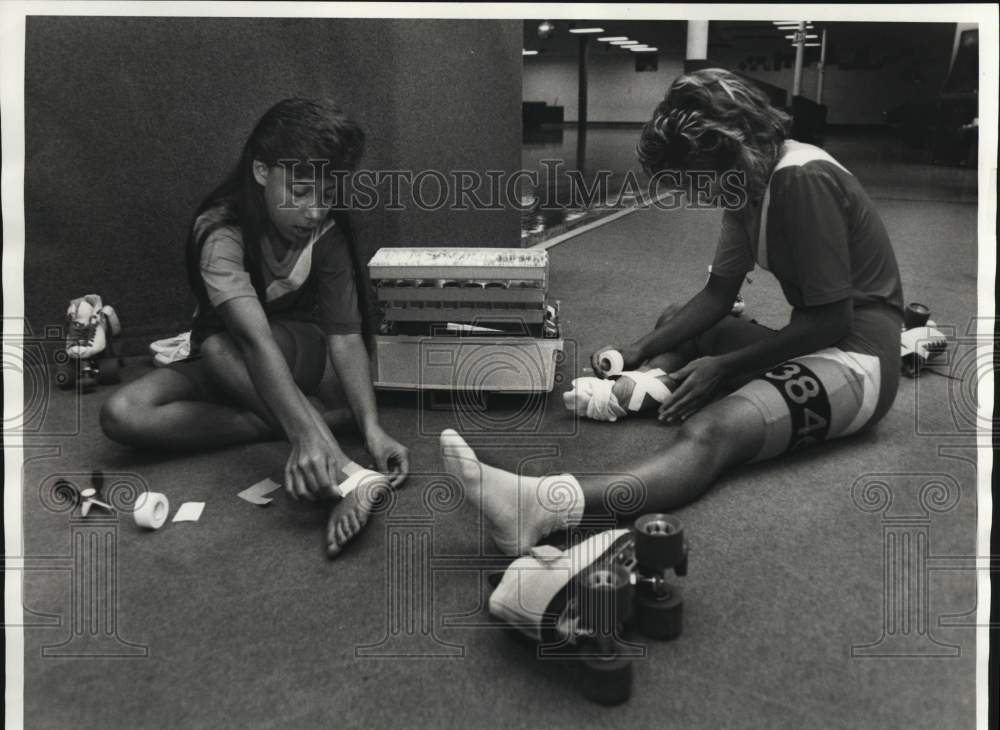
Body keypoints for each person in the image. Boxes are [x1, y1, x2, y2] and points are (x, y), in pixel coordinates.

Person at [440, 68, 904, 556]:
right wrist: (638, 348)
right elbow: (716, 296)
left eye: (694, 180)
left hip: (861, 364)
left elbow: (834, 321)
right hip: (819, 344)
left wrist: (723, 367)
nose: (693, 195)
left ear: (732, 150)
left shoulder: (802, 180)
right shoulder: (746, 187)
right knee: (673, 316)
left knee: (712, 431)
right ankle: (654, 383)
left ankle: (542, 507)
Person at [100, 98, 409, 558]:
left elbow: (344, 336)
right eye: (301, 192)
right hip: (235, 356)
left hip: (297, 352)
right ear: (262, 171)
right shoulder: (220, 230)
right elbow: (252, 338)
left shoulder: (328, 234)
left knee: (224, 351)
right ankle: (315, 421)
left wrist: (371, 430)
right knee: (121, 413)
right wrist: (302, 430)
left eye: (327, 194)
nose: (315, 210)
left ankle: (347, 474)